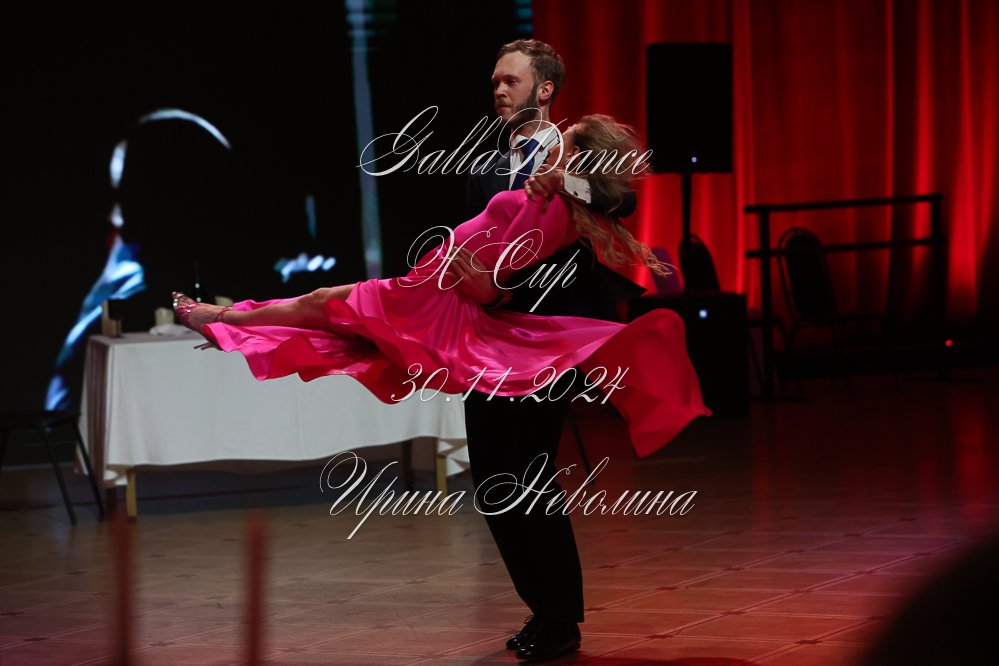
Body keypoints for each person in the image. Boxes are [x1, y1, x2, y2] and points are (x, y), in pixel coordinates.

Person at [174, 112, 709, 662]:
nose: (500, 91)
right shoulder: (507, 170)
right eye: (496, 80)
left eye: (510, 80)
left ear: (545, 92)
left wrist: (503, 269)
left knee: (518, 478)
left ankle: (557, 618)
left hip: (508, 335)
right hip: (463, 312)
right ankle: (546, 612)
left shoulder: (567, 195)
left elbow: (592, 212)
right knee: (483, 467)